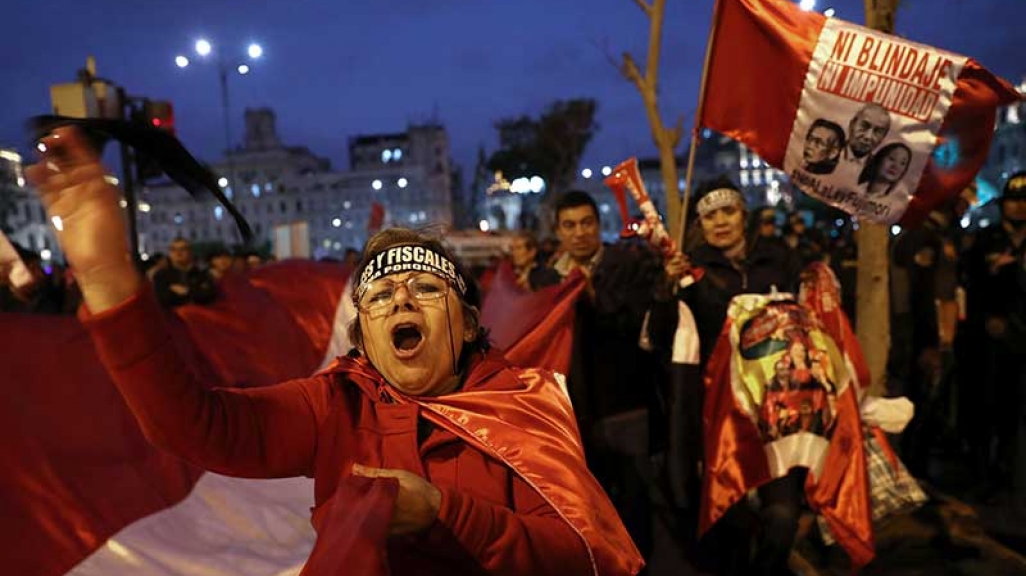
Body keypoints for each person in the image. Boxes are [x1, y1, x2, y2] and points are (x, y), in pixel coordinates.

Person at [25, 126, 643, 575]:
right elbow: (193, 424)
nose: (402, 300)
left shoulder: (525, 403)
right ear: (364, 335)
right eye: (380, 296)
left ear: (468, 319)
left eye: (426, 287)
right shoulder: (334, 405)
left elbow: (583, 557)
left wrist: (444, 514)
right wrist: (107, 278)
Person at [649, 176, 804, 575]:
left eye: (728, 212)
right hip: (720, 416)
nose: (720, 222)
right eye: (710, 215)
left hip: (777, 412)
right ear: (700, 223)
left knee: (783, 515)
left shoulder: (780, 258)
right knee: (727, 516)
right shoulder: (690, 267)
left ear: (743, 214)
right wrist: (667, 288)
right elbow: (662, 339)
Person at [551, 190, 666, 564]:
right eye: (570, 225)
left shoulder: (627, 265)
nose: (579, 233)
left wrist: (591, 295)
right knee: (588, 510)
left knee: (634, 506)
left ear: (599, 226)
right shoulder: (545, 277)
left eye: (587, 223)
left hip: (625, 405)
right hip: (572, 416)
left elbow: (636, 325)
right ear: (558, 232)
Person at [152, 237, 217, 308]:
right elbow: (163, 299)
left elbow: (208, 296)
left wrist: (187, 291)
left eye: (183, 249)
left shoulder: (202, 274)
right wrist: (195, 292)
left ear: (190, 251)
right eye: (173, 249)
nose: (178, 253)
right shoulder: (161, 275)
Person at [837, 103, 891, 186]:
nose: (868, 137)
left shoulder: (879, 172)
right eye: (864, 126)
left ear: (883, 137)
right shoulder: (829, 153)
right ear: (852, 125)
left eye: (877, 131)